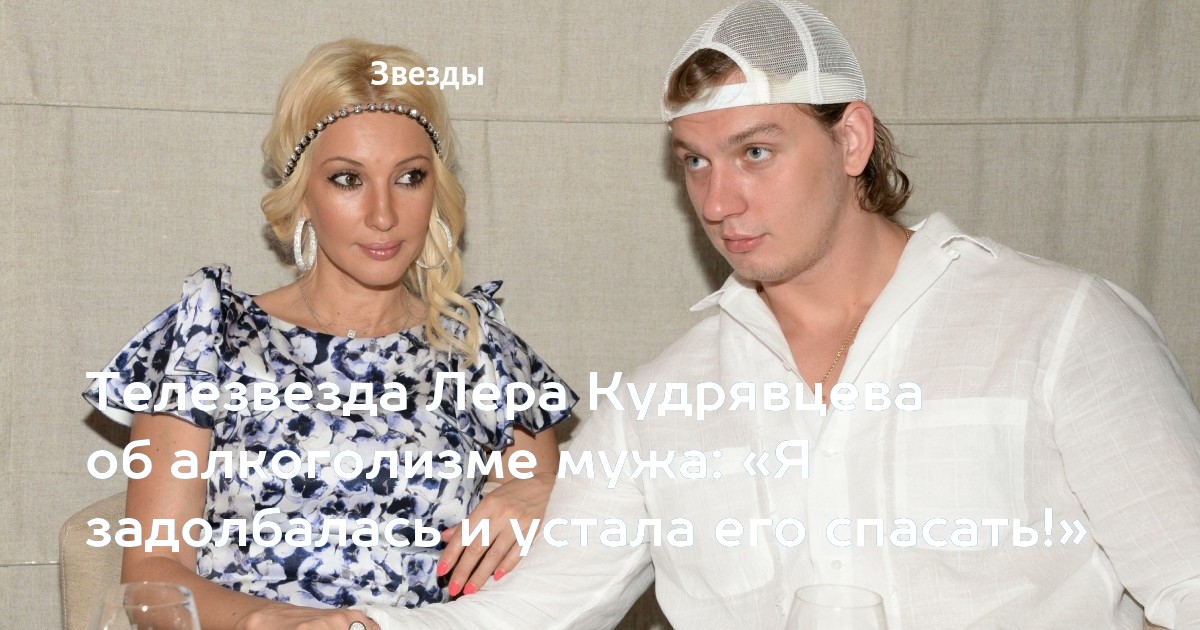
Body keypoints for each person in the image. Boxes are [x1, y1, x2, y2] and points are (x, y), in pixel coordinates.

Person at [360, 1, 1200, 629]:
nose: (718, 201)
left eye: (755, 152)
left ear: (851, 141)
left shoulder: (1058, 326)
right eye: (695, 162)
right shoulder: (657, 404)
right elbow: (525, 613)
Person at [83, 38, 576, 630]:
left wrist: (559, 495)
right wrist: (273, 622)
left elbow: (552, 577)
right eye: (348, 179)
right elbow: (152, 572)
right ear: (302, 196)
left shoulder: (482, 350)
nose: (383, 215)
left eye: (409, 177)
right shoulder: (208, 341)